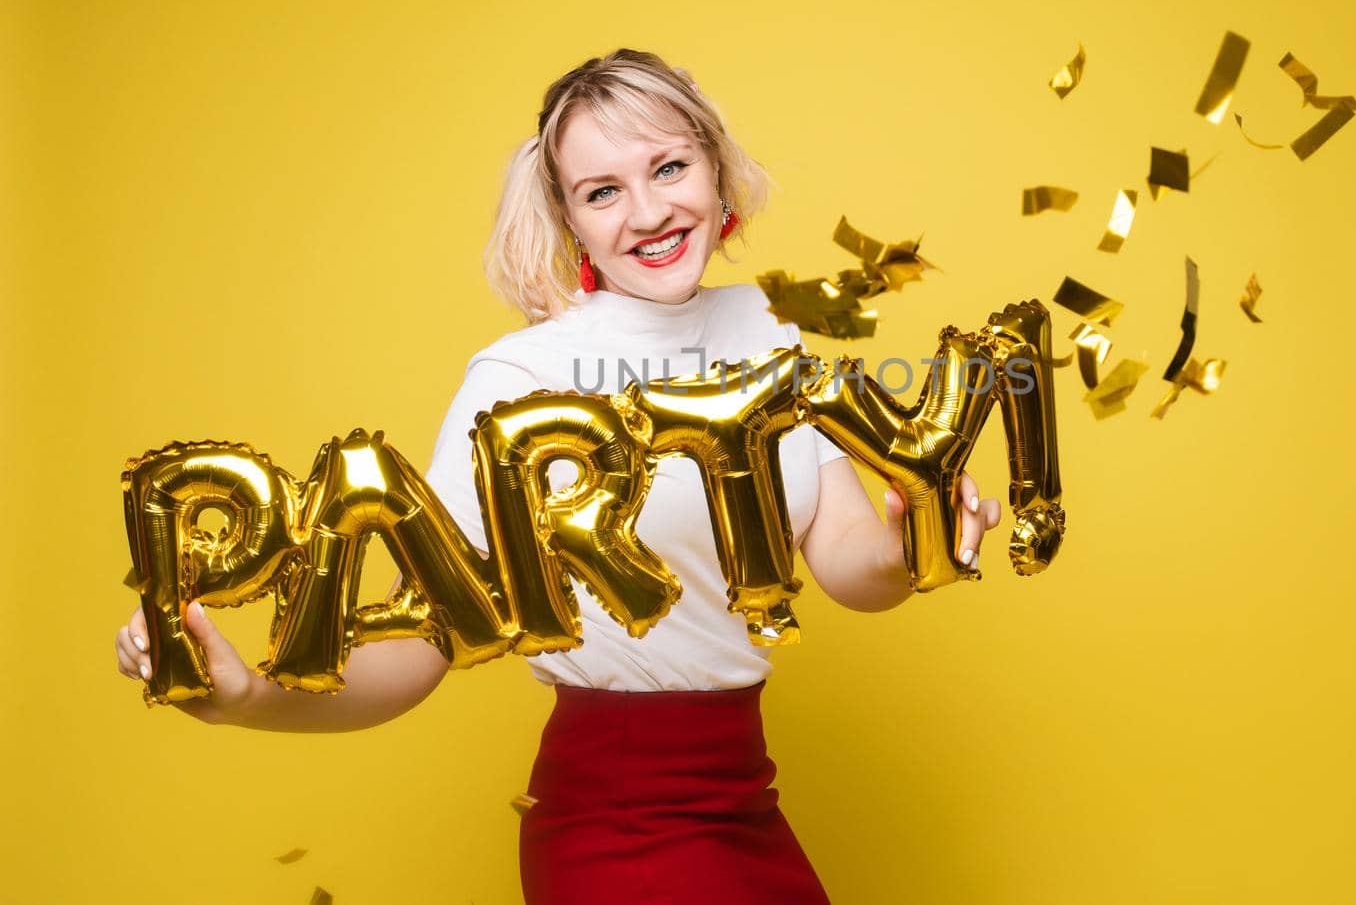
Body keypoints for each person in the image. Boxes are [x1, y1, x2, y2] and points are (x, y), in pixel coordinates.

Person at [113, 48, 1003, 903]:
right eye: (603, 191)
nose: (648, 212)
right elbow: (424, 639)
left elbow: (845, 558)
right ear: (568, 216)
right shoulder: (518, 378)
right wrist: (249, 698)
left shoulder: (771, 331)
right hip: (615, 815)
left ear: (716, 168)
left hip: (744, 795)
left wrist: (910, 535)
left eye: (669, 167)